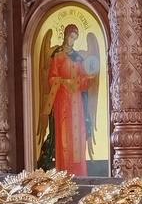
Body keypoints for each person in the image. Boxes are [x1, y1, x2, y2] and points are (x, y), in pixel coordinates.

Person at [37, 24, 99, 175]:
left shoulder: (78, 58)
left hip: (76, 102)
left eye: (75, 38)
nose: (72, 40)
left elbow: (84, 80)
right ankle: (63, 172)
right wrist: (64, 82)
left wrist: (88, 78)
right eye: (71, 37)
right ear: (65, 36)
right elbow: (51, 78)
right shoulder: (58, 56)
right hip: (62, 101)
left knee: (77, 135)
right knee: (64, 136)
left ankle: (78, 173)